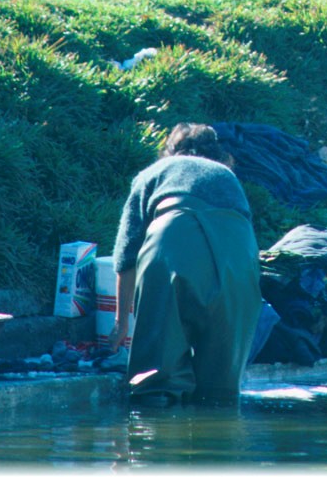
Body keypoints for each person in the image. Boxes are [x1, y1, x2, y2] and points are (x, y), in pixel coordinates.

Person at [109, 122, 262, 405]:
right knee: (220, 388)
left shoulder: (153, 174)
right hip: (238, 254)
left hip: (174, 239)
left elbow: (126, 256)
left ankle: (151, 436)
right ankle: (219, 438)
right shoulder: (226, 175)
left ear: (169, 152)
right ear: (217, 154)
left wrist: (121, 325)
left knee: (156, 379)